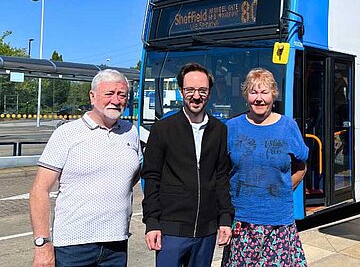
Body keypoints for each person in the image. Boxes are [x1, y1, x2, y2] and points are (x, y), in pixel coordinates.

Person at [30, 69, 142, 267]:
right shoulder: (66, 134)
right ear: (92, 96)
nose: (116, 100)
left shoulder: (131, 132)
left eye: (122, 94)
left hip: (116, 245)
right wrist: (42, 244)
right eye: (109, 94)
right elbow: (39, 190)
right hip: (73, 247)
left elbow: (131, 177)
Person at [141, 62, 233, 267]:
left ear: (209, 93)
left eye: (202, 90)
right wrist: (152, 223)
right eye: (190, 90)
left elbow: (221, 176)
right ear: (181, 91)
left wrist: (225, 218)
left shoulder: (219, 130)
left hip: (207, 231)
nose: (196, 96)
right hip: (171, 230)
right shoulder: (163, 129)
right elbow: (152, 177)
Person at [223, 67, 308, 266]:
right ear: (246, 96)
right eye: (253, 92)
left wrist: (286, 188)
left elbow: (301, 166)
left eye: (264, 92)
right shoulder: (232, 127)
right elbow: (221, 171)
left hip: (278, 221)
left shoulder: (288, 127)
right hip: (242, 221)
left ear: (273, 95)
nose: (259, 98)